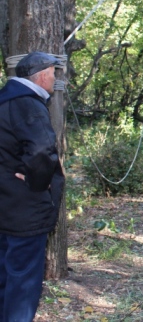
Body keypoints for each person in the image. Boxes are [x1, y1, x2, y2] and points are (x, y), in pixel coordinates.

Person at [0, 51, 65, 322]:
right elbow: (41, 150)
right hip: (24, 208)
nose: (54, 78)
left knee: (6, 276)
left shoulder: (5, 100)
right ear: (40, 75)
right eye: (52, 73)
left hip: (6, 204)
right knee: (23, 281)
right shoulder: (27, 104)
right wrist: (37, 181)